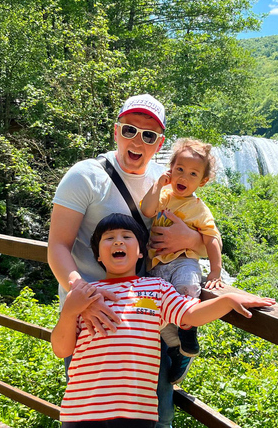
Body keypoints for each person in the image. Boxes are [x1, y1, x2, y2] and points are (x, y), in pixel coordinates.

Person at [47, 94, 204, 428]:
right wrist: (83, 298)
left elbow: (203, 234)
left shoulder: (167, 182)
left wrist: (192, 240)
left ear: (158, 143)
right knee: (92, 414)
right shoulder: (85, 177)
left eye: (148, 135)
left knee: (155, 415)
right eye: (130, 130)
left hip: (146, 322)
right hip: (92, 322)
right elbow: (57, 247)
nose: (138, 141)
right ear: (115, 132)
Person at [51, 213, 275, 426]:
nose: (118, 242)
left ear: (141, 252)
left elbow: (190, 315)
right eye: (109, 238)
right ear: (98, 255)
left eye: (127, 237)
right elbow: (62, 349)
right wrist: (70, 311)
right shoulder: (84, 295)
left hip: (136, 412)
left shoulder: (156, 289)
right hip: (81, 411)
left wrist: (228, 300)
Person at [139, 138, 222, 381]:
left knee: (187, 288)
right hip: (155, 266)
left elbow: (212, 238)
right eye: (180, 170)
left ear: (202, 181)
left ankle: (188, 331)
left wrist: (216, 270)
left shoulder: (199, 208)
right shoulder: (163, 195)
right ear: (170, 169)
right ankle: (180, 350)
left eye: (193, 174)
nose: (184, 177)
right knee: (155, 310)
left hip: (184, 260)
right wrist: (158, 184)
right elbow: (147, 210)